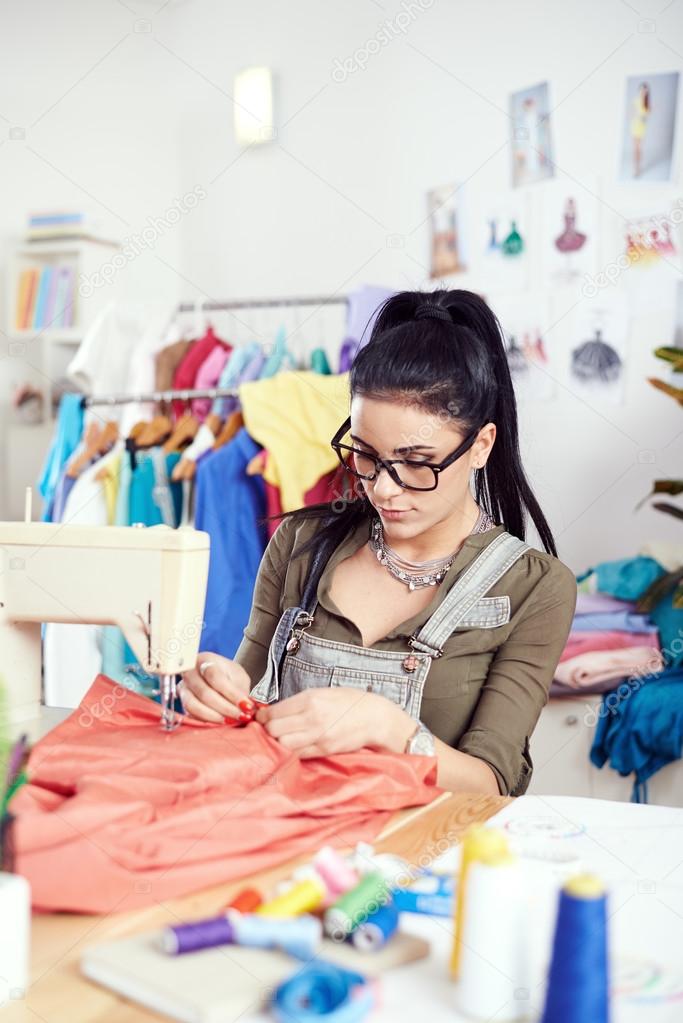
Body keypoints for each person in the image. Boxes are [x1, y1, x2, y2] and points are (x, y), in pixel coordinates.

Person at [180, 289, 577, 797]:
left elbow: (491, 784)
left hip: (429, 861)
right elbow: (247, 685)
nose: (383, 488)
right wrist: (215, 687)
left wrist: (393, 730)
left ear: (481, 445)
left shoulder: (535, 588)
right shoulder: (300, 544)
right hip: (295, 854)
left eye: (416, 463)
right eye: (365, 454)